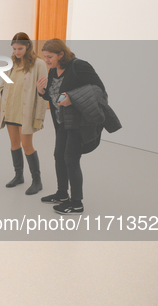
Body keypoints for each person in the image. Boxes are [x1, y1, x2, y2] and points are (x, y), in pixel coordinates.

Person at [36, 39, 120, 215]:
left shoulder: (79, 66)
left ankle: (76, 203)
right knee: (59, 156)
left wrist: (72, 97)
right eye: (45, 57)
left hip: (77, 123)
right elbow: (54, 98)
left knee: (71, 159)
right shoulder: (53, 71)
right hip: (61, 123)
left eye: (50, 56)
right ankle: (61, 194)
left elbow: (99, 89)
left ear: (61, 54)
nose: (47, 60)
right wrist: (42, 92)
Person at [0, 32, 48, 195]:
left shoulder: (39, 64)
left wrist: (39, 116)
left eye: (20, 48)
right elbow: (2, 86)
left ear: (28, 46)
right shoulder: (10, 63)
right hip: (10, 109)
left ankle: (37, 181)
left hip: (25, 112)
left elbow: (43, 93)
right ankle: (18, 176)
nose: (16, 52)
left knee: (27, 145)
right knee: (14, 144)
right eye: (14, 48)